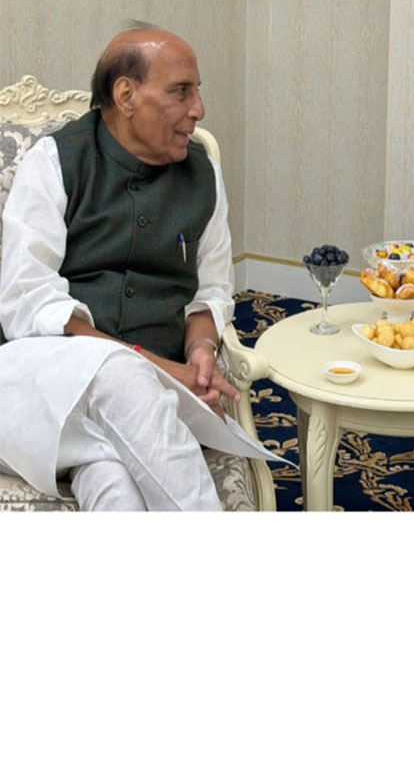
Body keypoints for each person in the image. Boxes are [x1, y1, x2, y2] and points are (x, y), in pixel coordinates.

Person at [0, 27, 277, 510]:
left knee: (113, 483)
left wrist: (201, 349)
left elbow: (210, 287)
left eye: (197, 90)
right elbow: (26, 304)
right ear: (126, 95)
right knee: (121, 377)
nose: (199, 110)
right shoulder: (55, 162)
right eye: (181, 91)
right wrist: (155, 368)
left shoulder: (202, 174)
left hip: (135, 417)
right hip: (49, 392)